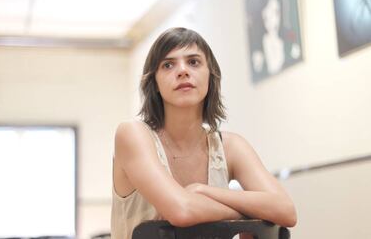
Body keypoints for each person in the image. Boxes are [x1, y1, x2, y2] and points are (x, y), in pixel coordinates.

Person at [111, 27, 297, 239]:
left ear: (211, 76)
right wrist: (249, 213)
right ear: (155, 83)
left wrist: (203, 191)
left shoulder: (230, 146)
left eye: (193, 62)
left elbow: (286, 210)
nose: (182, 71)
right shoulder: (132, 134)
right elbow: (181, 211)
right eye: (168, 65)